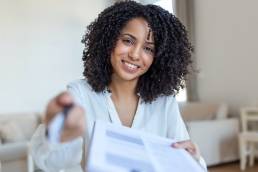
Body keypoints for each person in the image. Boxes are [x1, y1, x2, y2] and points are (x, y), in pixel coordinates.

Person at [31, 1, 207, 171]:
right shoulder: (80, 94)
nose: (135, 55)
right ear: (109, 40)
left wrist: (193, 158)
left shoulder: (164, 102)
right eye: (128, 41)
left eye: (148, 49)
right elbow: (49, 163)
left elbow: (189, 164)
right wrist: (57, 134)